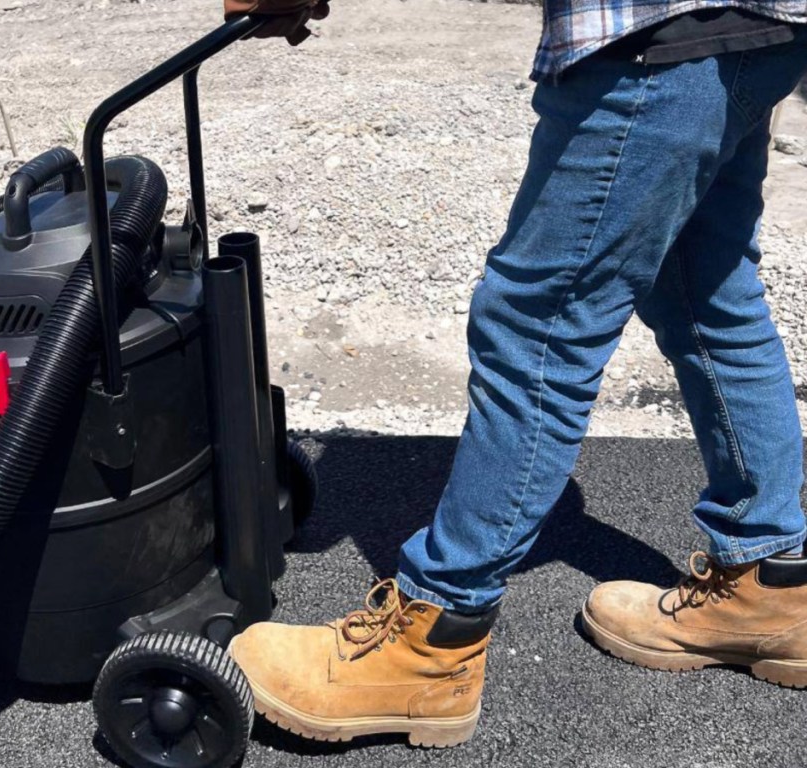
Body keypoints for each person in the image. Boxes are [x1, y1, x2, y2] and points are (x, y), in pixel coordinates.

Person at [224, 0, 807, 749]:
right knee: (708, 293)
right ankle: (769, 585)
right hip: (761, 26)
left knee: (538, 327)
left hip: (653, 35)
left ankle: (431, 640)